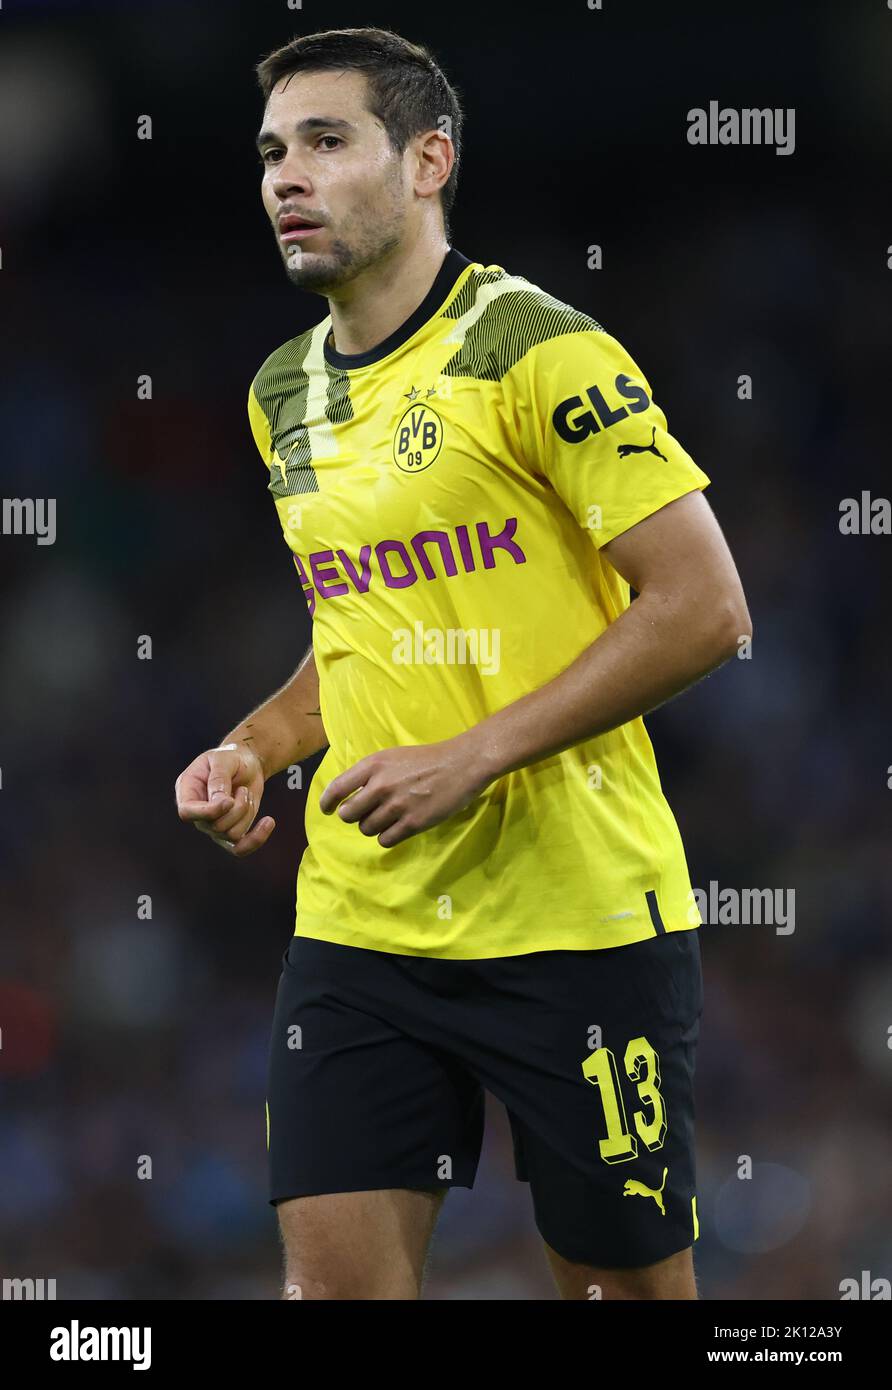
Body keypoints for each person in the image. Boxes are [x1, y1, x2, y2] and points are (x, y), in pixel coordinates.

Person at [175, 26, 752, 1300]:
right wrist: (258, 746)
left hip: (576, 920)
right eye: (273, 149)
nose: (286, 176)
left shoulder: (536, 348)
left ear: (428, 159)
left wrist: (475, 754)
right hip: (361, 923)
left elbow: (706, 608)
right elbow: (360, 628)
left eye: (326, 141)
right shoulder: (285, 391)